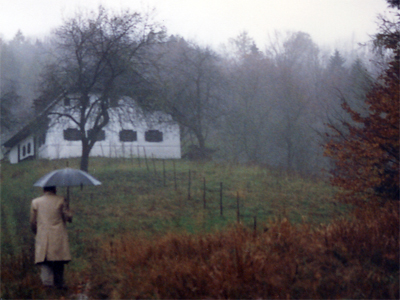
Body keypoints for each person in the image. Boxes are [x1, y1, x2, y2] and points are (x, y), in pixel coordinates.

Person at [30, 186, 73, 289]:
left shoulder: (35, 202)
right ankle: (59, 285)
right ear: (55, 189)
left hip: (43, 236)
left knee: (45, 262)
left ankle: (47, 286)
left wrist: (37, 232)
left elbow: (32, 222)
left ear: (44, 190)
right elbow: (68, 218)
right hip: (58, 236)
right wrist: (69, 211)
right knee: (58, 261)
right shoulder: (61, 200)